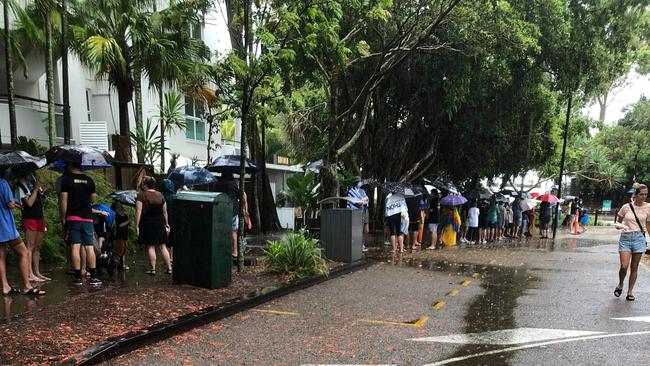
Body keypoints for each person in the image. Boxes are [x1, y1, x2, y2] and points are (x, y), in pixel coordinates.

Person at [0, 169, 45, 296]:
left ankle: (5, 286)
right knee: (24, 252)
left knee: (1, 255)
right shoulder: (3, 183)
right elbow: (10, 203)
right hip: (5, 225)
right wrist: (14, 203)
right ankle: (26, 286)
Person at [60, 159, 102, 286]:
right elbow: (93, 198)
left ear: (71, 165)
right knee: (89, 247)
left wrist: (63, 217)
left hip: (73, 217)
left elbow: (63, 200)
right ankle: (94, 276)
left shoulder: (66, 180)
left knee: (75, 246)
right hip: (88, 217)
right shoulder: (89, 180)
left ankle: (78, 277)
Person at [614, 183, 649, 301]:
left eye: (646, 194)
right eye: (641, 194)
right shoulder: (626, 207)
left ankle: (630, 292)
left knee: (634, 267)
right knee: (624, 266)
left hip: (639, 238)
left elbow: (648, 225)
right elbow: (618, 222)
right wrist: (619, 226)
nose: (644, 196)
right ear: (636, 194)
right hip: (626, 237)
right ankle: (620, 284)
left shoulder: (649, 207)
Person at [14, 173, 50, 282]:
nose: (32, 173)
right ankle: (29, 273)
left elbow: (38, 197)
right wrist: (35, 189)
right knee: (30, 245)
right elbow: (29, 203)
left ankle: (37, 272)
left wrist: (43, 191)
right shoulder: (20, 184)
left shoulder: (33, 180)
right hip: (29, 217)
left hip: (39, 216)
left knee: (38, 246)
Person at [135, 176, 171, 275]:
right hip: (160, 222)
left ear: (145, 184)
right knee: (162, 245)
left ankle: (153, 269)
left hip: (147, 222)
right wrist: (167, 224)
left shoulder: (141, 195)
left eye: (142, 183)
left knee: (151, 246)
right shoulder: (160, 195)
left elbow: (139, 211)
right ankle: (169, 268)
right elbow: (165, 212)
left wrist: (137, 225)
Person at [213, 172, 248, 260]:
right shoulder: (232, 183)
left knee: (221, 230)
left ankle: (221, 250)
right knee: (233, 231)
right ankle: (235, 251)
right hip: (232, 209)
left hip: (220, 209)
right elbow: (239, 195)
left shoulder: (218, 183)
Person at [347, 177, 370, 252]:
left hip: (365, 211)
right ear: (356, 183)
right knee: (359, 229)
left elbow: (366, 199)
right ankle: (359, 245)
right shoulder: (351, 191)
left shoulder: (362, 191)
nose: (360, 183)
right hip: (357, 212)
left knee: (366, 230)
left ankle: (362, 243)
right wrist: (362, 201)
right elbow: (352, 202)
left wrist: (363, 201)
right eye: (359, 182)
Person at [111, 202, 130, 271]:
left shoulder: (125, 215)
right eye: (119, 207)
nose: (121, 208)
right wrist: (128, 221)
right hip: (119, 235)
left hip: (125, 235)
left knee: (124, 250)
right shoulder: (116, 216)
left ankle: (122, 264)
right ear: (116, 209)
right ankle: (116, 265)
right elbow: (120, 225)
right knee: (119, 250)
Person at [161, 179, 177, 260]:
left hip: (163, 220)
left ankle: (167, 259)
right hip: (174, 220)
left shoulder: (161, 196)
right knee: (172, 240)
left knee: (165, 242)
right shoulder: (175, 197)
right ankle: (171, 258)